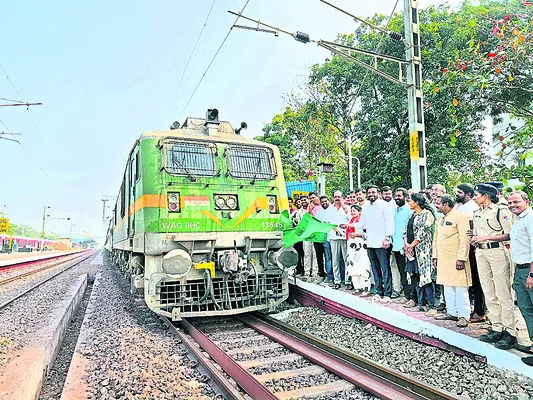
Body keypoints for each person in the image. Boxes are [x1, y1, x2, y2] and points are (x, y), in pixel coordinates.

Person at [472, 183, 517, 350]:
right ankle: (496, 327)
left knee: (503, 292)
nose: (475, 197)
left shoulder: (500, 210)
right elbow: (477, 233)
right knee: (489, 291)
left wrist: (484, 238)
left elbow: (509, 234)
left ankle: (510, 331)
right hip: (481, 253)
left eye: (477, 194)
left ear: (486, 195)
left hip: (497, 252)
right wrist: (476, 239)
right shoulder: (477, 213)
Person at [432, 194, 472, 327]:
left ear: (446, 204)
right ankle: (452, 312)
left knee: (460, 287)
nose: (436, 205)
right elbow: (436, 239)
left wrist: (461, 258)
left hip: (456, 258)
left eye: (438, 203)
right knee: (447, 286)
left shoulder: (460, 217)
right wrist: (435, 256)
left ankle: (464, 316)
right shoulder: (440, 219)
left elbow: (464, 239)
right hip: (443, 259)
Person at [353, 185, 395, 304]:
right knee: (375, 269)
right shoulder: (366, 207)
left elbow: (390, 222)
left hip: (382, 242)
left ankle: (387, 294)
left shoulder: (384, 205)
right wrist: (349, 225)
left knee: (385, 268)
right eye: (369, 192)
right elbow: (362, 223)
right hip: (370, 242)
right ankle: (378, 291)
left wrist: (387, 237)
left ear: (378, 193)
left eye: (373, 192)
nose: (371, 194)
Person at [507, 191, 533, 365]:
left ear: (526, 201)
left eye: (516, 202)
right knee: (526, 309)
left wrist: (531, 274)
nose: (512, 205)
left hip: (529, 271)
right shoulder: (519, 219)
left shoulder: (530, 218)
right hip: (519, 268)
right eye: (509, 203)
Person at [455, 183, 486, 323]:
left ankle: (480, 311)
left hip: (473, 248)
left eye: (460, 192)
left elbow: (473, 227)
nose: (457, 195)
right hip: (463, 247)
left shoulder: (473, 207)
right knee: (471, 281)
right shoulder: (460, 206)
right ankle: (474, 309)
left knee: (478, 281)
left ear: (468, 195)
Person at [404, 192, 437, 312]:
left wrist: (412, 245)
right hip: (411, 250)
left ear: (417, 202)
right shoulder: (412, 214)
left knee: (425, 276)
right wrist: (407, 244)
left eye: (410, 201)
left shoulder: (427, 214)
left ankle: (432, 305)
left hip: (423, 250)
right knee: (415, 276)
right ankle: (420, 303)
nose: (409, 203)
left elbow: (422, 232)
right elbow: (406, 230)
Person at [391, 188, 415, 305]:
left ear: (405, 197)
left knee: (408, 273)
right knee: (401, 272)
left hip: (405, 247)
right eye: (395, 196)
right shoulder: (394, 210)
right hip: (395, 246)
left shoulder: (409, 211)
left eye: (399, 196)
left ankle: (411, 297)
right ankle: (406, 295)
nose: (397, 198)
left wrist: (408, 245)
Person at [324, 190, 350, 289]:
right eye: (335, 197)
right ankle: (337, 280)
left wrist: (344, 206)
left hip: (344, 237)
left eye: (339, 197)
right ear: (333, 198)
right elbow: (326, 222)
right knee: (335, 259)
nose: (337, 198)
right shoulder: (329, 209)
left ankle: (347, 281)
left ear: (342, 197)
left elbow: (351, 219)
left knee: (346, 259)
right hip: (334, 237)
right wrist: (333, 227)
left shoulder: (347, 208)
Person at [345, 204, 372, 293]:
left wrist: (357, 234)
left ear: (360, 212)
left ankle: (365, 288)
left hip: (361, 246)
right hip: (351, 246)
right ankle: (357, 287)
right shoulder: (350, 221)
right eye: (351, 210)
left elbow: (367, 233)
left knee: (363, 266)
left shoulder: (363, 222)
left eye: (354, 210)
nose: (352, 212)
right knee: (352, 266)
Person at [316, 195, 333, 283]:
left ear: (329, 201)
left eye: (325, 201)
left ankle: (339, 277)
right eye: (322, 202)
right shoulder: (318, 213)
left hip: (335, 237)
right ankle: (329, 276)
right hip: (325, 238)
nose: (324, 203)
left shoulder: (334, 209)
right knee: (328, 258)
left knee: (338, 258)